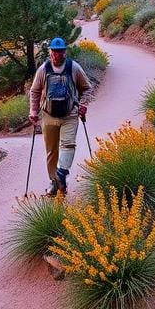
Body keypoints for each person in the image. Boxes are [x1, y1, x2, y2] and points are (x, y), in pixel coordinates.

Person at [28, 37, 91, 196]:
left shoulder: (74, 67)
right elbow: (35, 92)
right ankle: (55, 184)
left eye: (60, 51)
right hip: (48, 116)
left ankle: (61, 173)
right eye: (54, 51)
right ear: (50, 52)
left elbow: (86, 88)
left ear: (65, 51)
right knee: (51, 152)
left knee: (68, 145)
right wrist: (33, 111)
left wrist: (83, 104)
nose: (57, 54)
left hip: (70, 114)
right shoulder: (43, 69)